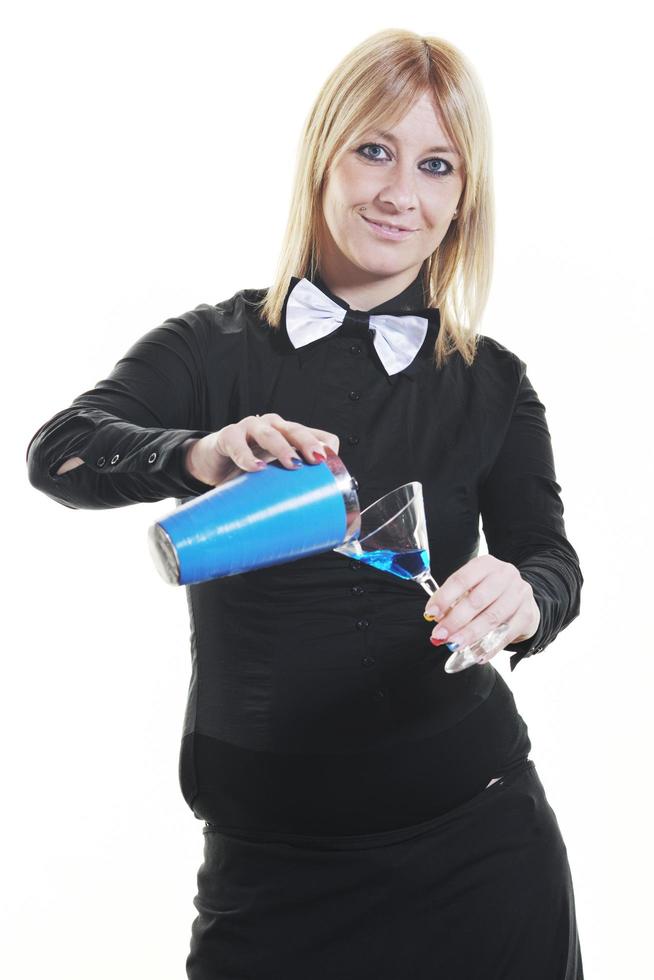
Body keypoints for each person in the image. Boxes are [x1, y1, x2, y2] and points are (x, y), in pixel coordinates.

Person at [26, 27, 584, 980]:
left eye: (436, 165)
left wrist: (526, 597)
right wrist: (197, 453)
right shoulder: (211, 349)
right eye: (374, 149)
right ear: (323, 157)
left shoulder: (491, 383)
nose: (399, 192)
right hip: (271, 869)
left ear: (463, 201)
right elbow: (61, 453)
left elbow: (551, 560)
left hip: (483, 851)